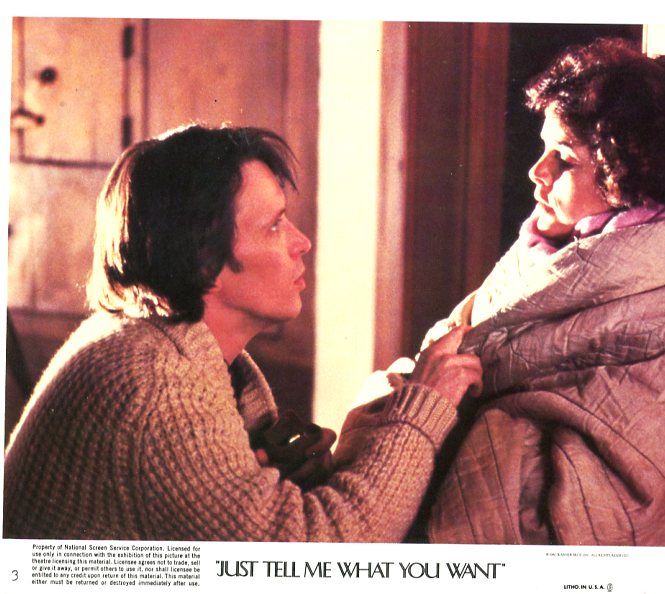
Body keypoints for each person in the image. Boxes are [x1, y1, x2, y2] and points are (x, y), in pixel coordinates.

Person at [3, 124, 483, 541]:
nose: (301, 242)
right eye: (274, 226)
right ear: (203, 260)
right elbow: (320, 556)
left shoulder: (171, 344)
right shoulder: (154, 385)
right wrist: (424, 406)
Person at [413, 38, 665, 546]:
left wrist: (437, 410)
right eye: (544, 148)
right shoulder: (562, 237)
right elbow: (472, 328)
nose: (537, 171)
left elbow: (613, 509)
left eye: (563, 158)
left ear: (628, 173)